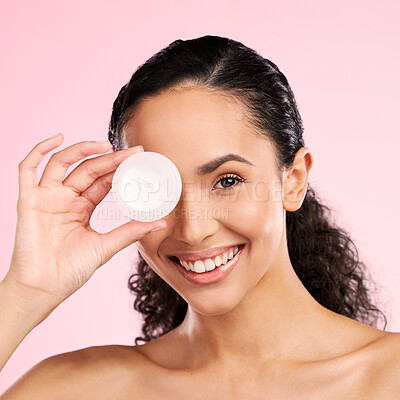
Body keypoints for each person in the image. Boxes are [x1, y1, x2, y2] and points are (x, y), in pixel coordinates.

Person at [1, 35, 399, 399]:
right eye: (162, 189)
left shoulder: (387, 378)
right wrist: (26, 291)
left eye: (227, 180)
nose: (192, 230)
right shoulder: (78, 389)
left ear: (293, 180)